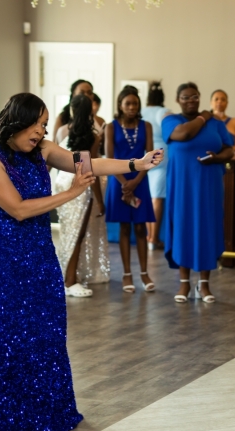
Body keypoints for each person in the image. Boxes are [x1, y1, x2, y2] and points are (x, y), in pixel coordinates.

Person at [0, 93, 162, 431]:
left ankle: (44, 412)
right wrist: (71, 194)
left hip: (39, 256)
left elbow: (89, 163)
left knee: (48, 335)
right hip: (3, 259)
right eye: (37, 124)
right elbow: (19, 209)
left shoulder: (43, 149)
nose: (41, 131)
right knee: (14, 339)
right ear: (17, 121)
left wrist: (137, 164)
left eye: (44, 124)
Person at [161, 82, 234, 303]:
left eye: (194, 97)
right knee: (183, 228)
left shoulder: (217, 123)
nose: (190, 101)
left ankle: (204, 284)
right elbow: (183, 134)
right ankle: (184, 284)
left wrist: (218, 158)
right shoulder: (170, 120)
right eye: (185, 97)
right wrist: (203, 117)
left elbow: (229, 148)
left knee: (206, 228)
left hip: (209, 184)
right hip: (182, 185)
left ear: (200, 97)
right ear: (177, 100)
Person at [53, 94, 110, 297]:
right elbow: (89, 169)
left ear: (71, 110)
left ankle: (63, 276)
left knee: (67, 232)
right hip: (80, 185)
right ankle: (70, 280)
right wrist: (100, 200)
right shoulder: (93, 136)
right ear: (90, 113)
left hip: (62, 182)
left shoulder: (61, 131)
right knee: (78, 234)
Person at [105, 85, 156, 294]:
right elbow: (108, 158)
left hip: (140, 181)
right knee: (124, 228)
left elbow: (151, 157)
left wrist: (135, 182)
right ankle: (127, 274)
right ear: (120, 105)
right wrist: (125, 182)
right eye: (128, 103)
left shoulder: (146, 126)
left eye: (135, 103)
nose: (132, 107)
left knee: (140, 228)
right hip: (118, 181)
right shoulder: (111, 126)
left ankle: (144, 273)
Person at [141, 81, 171, 251]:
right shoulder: (163, 112)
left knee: (148, 197)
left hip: (144, 157)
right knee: (157, 198)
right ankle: (154, 237)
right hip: (161, 157)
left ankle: (149, 235)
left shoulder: (141, 112)